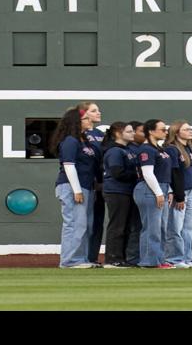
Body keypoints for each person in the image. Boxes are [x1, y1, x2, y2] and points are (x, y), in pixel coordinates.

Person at [49, 109, 95, 268]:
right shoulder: (70, 141)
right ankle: (70, 261)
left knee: (82, 224)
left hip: (83, 186)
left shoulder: (83, 140)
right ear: (77, 122)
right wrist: (76, 190)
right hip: (72, 186)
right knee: (74, 223)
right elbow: (69, 166)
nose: (90, 121)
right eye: (86, 119)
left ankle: (80, 259)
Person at [131, 119, 172, 268]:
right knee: (151, 227)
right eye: (162, 129)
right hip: (149, 189)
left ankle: (159, 259)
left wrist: (169, 191)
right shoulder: (146, 149)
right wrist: (158, 193)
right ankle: (149, 261)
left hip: (162, 188)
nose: (165, 132)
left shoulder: (159, 149)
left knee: (161, 227)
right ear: (151, 131)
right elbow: (148, 173)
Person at [100, 121, 138, 268]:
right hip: (117, 191)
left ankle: (121, 257)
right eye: (129, 132)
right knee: (118, 226)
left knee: (126, 226)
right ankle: (112, 258)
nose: (133, 134)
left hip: (126, 191)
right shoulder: (115, 151)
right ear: (118, 133)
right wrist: (137, 174)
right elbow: (117, 172)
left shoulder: (127, 150)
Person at [164, 122, 192, 268]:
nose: (190, 131)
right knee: (175, 226)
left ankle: (186, 256)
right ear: (177, 132)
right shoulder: (173, 149)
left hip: (191, 190)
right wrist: (179, 195)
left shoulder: (190, 148)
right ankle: (174, 258)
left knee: (189, 227)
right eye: (186, 129)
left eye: (191, 129)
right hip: (181, 191)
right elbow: (174, 173)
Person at [78, 101, 105, 264]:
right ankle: (81, 257)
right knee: (84, 222)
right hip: (87, 182)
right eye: (94, 111)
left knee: (97, 221)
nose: (98, 113)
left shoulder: (101, 135)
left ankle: (92, 257)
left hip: (101, 183)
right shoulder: (79, 136)